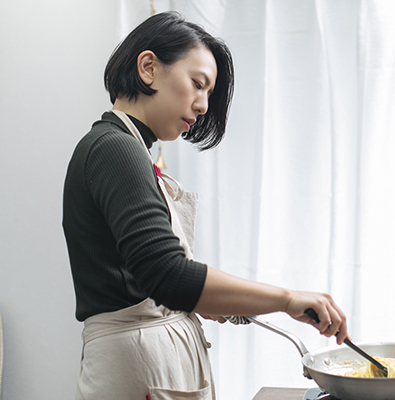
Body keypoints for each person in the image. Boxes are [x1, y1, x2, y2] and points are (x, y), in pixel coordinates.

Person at [62, 11, 348, 400]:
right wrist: (286, 299)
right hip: (137, 367)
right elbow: (168, 275)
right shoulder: (115, 149)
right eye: (198, 84)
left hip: (148, 364)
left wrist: (206, 301)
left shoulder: (126, 149)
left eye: (208, 94)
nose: (202, 106)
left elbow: (142, 277)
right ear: (148, 68)